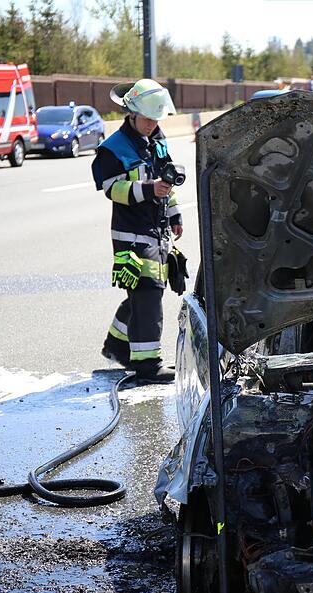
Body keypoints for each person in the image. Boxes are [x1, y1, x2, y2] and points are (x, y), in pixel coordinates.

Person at [92, 79, 182, 383]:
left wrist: (175, 215)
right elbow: (111, 189)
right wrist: (148, 189)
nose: (152, 124)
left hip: (157, 231)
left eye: (156, 119)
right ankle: (148, 363)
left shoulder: (158, 141)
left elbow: (167, 183)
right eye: (147, 119)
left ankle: (117, 346)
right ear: (131, 114)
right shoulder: (112, 149)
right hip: (131, 235)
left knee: (140, 292)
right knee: (148, 293)